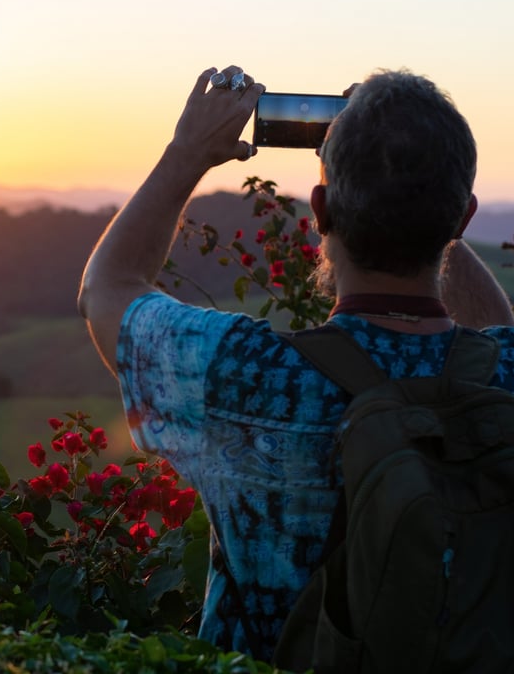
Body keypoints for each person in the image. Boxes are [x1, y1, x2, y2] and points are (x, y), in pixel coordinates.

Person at [77, 65, 514, 659]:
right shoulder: (504, 376)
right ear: (462, 219)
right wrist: (425, 207)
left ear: (320, 210)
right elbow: (496, 332)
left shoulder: (249, 376)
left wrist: (187, 153)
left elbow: (107, 289)